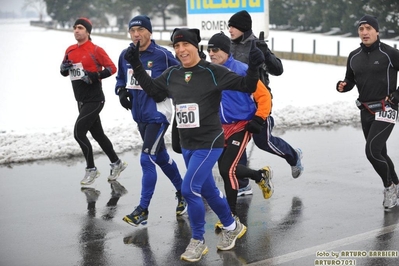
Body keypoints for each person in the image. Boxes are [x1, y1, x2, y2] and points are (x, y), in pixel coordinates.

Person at [122, 27, 265, 262]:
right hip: (188, 144)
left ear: (195, 46)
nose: (180, 50)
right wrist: (137, 64)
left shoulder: (212, 72)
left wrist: (255, 66)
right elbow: (153, 90)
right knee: (207, 189)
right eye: (176, 46)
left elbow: (247, 85)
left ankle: (198, 240)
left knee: (189, 189)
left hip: (210, 143)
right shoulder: (172, 74)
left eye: (185, 45)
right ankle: (232, 226)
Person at [116, 15, 187, 226]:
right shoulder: (126, 54)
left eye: (140, 30)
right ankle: (183, 192)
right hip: (139, 115)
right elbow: (121, 77)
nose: (136, 34)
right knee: (161, 157)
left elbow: (184, 73)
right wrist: (121, 90)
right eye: (132, 31)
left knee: (147, 159)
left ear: (149, 32)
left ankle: (143, 210)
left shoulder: (163, 56)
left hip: (158, 114)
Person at [228, 10, 304, 196]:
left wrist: (266, 55)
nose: (229, 30)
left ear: (243, 27)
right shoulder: (228, 46)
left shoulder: (257, 45)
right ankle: (243, 184)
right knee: (236, 143)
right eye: (228, 26)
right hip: (236, 102)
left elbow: (278, 69)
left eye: (232, 26)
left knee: (264, 142)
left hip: (258, 101)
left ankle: (293, 155)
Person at [206, 32, 273, 228]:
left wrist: (259, 119)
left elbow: (264, 97)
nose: (211, 53)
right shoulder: (209, 72)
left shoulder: (242, 70)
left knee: (228, 170)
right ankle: (259, 176)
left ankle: (231, 217)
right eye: (209, 49)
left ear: (226, 51)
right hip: (219, 127)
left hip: (242, 125)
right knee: (228, 168)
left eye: (215, 49)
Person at [337, 15, 399, 209]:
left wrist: (397, 94)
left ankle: (389, 188)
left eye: (369, 28)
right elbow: (350, 79)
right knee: (380, 151)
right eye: (361, 29)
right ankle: (396, 185)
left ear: (377, 31)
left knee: (372, 151)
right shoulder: (354, 55)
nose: (364, 32)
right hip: (365, 110)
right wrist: (344, 85)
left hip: (387, 108)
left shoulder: (390, 53)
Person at [60, 18, 127, 185]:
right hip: (80, 100)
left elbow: (112, 68)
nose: (76, 31)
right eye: (75, 28)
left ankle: (91, 169)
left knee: (79, 133)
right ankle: (117, 163)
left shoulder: (95, 50)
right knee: (98, 134)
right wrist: (63, 68)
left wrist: (94, 76)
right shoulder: (70, 50)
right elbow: (64, 72)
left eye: (80, 28)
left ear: (88, 31)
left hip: (95, 99)